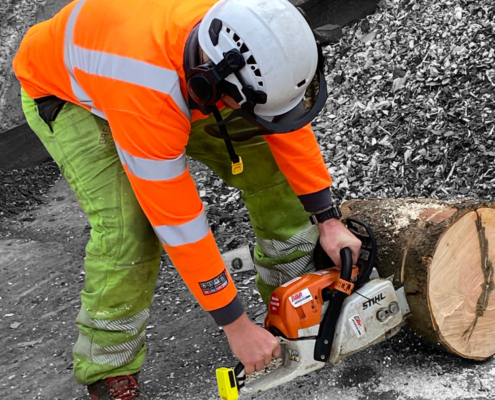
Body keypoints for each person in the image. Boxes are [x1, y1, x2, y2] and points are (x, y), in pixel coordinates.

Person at [13, 0, 361, 398]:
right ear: (210, 86)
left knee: (270, 170)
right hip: (67, 91)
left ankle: (292, 298)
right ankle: (107, 366)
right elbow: (177, 221)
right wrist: (236, 326)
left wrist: (327, 219)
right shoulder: (147, 95)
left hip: (165, 63)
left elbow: (282, 119)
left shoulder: (248, 25)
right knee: (131, 227)